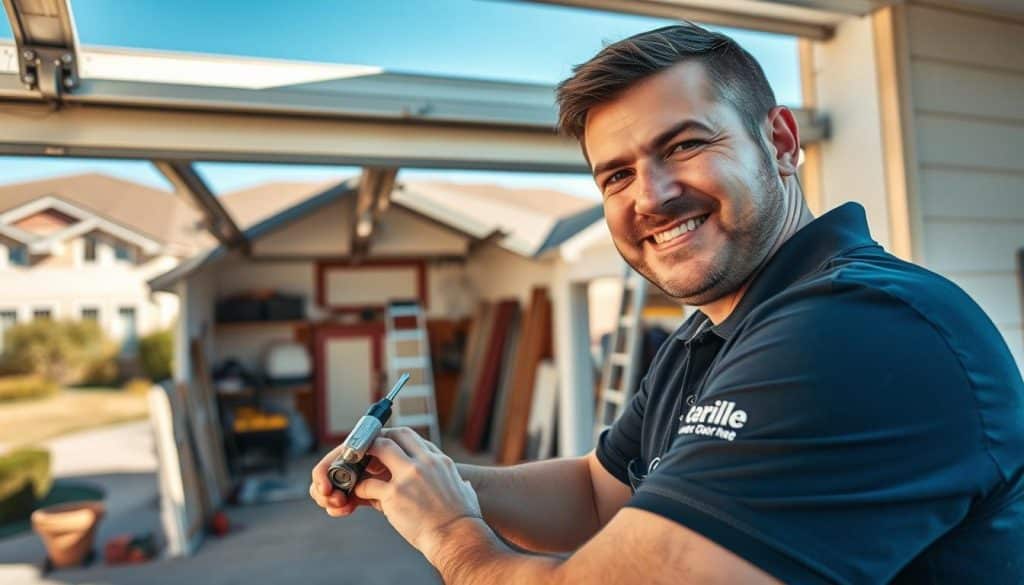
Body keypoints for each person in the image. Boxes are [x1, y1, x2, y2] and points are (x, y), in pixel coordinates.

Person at [311, 23, 1024, 584]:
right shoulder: (709, 334)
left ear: (779, 142)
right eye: (616, 175)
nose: (650, 197)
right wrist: (434, 478)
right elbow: (598, 492)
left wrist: (449, 533)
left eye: (683, 145)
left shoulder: (855, 329)